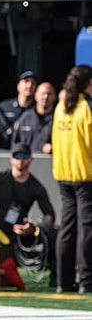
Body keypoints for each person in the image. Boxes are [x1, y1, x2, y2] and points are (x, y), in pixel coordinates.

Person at [0, 143, 55, 288]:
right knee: (0, 281)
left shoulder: (35, 186)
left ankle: (56, 275)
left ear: (31, 159)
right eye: (17, 156)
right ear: (11, 159)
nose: (21, 160)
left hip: (19, 236)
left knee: (53, 232)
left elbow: (49, 216)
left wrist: (33, 228)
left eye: (24, 156)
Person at [51, 64, 92, 294]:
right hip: (85, 174)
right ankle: (86, 280)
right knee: (86, 229)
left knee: (67, 228)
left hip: (64, 173)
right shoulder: (87, 107)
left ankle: (63, 280)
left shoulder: (62, 107)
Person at [0, 70, 37, 149]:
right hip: (3, 152)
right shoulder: (4, 107)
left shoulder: (37, 110)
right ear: (18, 86)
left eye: (33, 83)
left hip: (29, 154)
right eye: (26, 81)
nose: (29, 85)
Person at [11, 81, 57, 154]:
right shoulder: (24, 118)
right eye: (42, 94)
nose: (45, 97)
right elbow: (15, 144)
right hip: (26, 162)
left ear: (55, 97)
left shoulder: (58, 119)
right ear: (36, 95)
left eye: (49, 94)